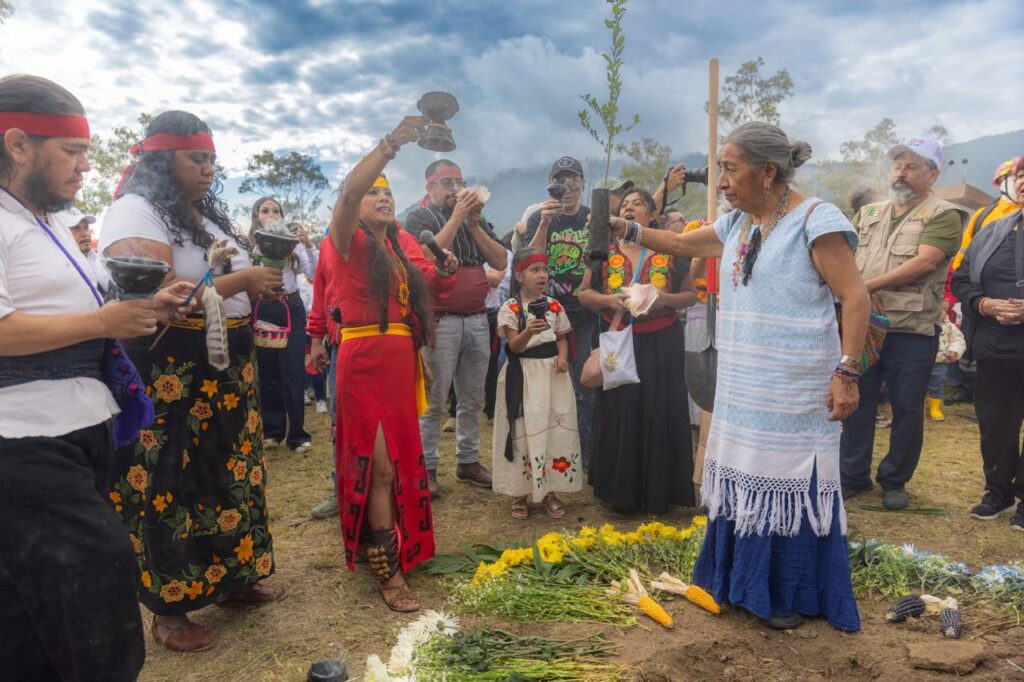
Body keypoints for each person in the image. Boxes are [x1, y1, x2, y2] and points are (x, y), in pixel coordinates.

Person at [610, 121, 870, 632]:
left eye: (731, 169)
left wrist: (847, 370)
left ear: (768, 171)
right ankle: (735, 581)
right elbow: (683, 245)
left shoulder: (816, 219)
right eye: (721, 169)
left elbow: (856, 297)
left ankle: (787, 593)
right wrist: (630, 230)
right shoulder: (738, 224)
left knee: (785, 477)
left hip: (794, 387)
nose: (721, 182)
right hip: (743, 383)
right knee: (744, 472)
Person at [0, 74, 190, 680]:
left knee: (33, 604)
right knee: (97, 580)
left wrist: (146, 308)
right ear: (17, 144)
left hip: (79, 428)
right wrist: (103, 319)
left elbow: (77, 312)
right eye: (73, 152)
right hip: (24, 437)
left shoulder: (48, 222)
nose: (86, 166)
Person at [101, 110, 287, 651]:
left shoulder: (203, 217)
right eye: (196, 158)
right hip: (170, 366)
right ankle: (170, 607)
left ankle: (234, 578)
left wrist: (256, 288)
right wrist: (244, 278)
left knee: (229, 469)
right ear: (163, 160)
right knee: (167, 478)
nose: (208, 169)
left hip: (224, 358)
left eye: (211, 159)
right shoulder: (133, 211)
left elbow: (217, 284)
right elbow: (160, 291)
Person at [327, 117, 458, 611]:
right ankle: (388, 573)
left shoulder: (397, 247)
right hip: (363, 361)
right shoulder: (346, 241)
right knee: (378, 466)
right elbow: (346, 195)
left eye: (388, 193)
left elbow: (421, 302)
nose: (382, 197)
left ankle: (390, 543)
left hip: (401, 361)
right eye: (372, 193)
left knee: (402, 461)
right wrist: (392, 145)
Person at [840, 138, 967, 510]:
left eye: (912, 166)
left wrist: (864, 287)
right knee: (857, 401)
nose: (901, 172)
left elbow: (925, 262)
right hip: (864, 324)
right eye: (898, 165)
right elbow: (842, 256)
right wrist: (856, 293)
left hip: (911, 328)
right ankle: (852, 476)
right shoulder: (869, 214)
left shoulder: (944, 214)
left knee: (907, 406)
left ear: (933, 173)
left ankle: (895, 479)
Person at [579, 188, 697, 512]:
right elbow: (583, 293)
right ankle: (621, 495)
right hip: (620, 339)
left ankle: (662, 493)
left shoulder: (671, 252)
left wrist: (664, 299)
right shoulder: (603, 250)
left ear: (652, 214)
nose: (629, 208)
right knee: (621, 410)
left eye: (638, 204)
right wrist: (609, 300)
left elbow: (690, 296)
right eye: (625, 204)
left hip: (662, 341)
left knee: (662, 410)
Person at [404, 159, 504, 496]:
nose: (455, 189)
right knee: (433, 400)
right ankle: (427, 467)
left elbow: (501, 261)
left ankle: (468, 461)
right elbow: (424, 258)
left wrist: (474, 225)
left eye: (459, 181)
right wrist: (458, 217)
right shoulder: (421, 218)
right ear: (429, 188)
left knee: (472, 397)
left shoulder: (476, 220)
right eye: (446, 183)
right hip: (439, 321)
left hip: (477, 318)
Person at [951, 159, 1024, 530]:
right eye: (1021, 175)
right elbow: (962, 280)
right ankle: (999, 493)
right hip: (996, 347)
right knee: (996, 424)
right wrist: (984, 304)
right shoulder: (992, 231)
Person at [492, 247, 580, 519]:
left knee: (553, 427)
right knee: (522, 427)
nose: (542, 275)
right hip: (523, 376)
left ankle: (549, 489)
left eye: (544, 269)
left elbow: (562, 336)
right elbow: (514, 347)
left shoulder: (554, 305)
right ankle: (520, 491)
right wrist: (528, 331)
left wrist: (563, 358)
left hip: (552, 376)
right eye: (535, 270)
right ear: (519, 275)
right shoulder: (511, 308)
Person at [523, 156, 596, 470]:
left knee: (585, 385)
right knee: (541, 385)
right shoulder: (539, 216)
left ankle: (586, 455)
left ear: (583, 184)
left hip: (584, 315)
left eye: (573, 180)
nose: (566, 187)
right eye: (559, 181)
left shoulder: (593, 217)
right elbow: (529, 259)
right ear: (550, 186)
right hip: (545, 314)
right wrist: (543, 222)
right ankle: (547, 451)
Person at [947, 158, 1021, 405]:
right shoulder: (986, 219)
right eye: (1017, 178)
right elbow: (963, 270)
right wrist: (982, 303)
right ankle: (967, 387)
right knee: (997, 428)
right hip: (995, 341)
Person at [249, 198, 318, 452]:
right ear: (257, 216)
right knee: (268, 374)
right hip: (264, 307)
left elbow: (313, 273)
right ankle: (273, 432)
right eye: (265, 210)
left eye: (275, 211)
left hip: (292, 307)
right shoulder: (250, 246)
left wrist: (308, 245)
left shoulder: (293, 243)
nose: (271, 214)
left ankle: (298, 434)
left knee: (293, 372)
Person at [308, 232, 344, 519]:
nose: (382, 200)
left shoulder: (397, 238)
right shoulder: (330, 244)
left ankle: (390, 493)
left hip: (387, 349)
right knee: (341, 423)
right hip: (342, 347)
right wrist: (317, 339)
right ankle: (341, 492)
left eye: (386, 193)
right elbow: (322, 294)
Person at [483, 245, 513, 420]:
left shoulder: (500, 255)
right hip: (472, 309)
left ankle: (493, 408)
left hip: (494, 310)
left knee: (494, 361)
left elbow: (496, 278)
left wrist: (468, 275)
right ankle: (454, 413)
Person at [927, 302, 965, 421]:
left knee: (937, 385)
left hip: (939, 362)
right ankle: (919, 407)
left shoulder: (949, 326)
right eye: (938, 310)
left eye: (944, 311)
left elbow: (958, 340)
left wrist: (954, 351)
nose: (941, 313)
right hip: (920, 361)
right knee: (917, 385)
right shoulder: (922, 326)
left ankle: (935, 408)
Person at [62, 207, 111, 295]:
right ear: (62, 233)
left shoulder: (101, 260)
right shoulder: (62, 268)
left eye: (86, 227)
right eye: (76, 228)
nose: (85, 234)